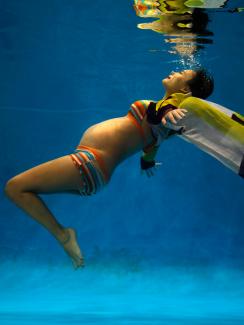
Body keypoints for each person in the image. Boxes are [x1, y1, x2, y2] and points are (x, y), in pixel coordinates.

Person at [4, 68, 214, 269]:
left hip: (90, 163)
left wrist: (168, 112)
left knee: (15, 187)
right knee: (26, 190)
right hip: (95, 174)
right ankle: (63, 234)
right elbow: (151, 145)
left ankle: (63, 235)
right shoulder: (164, 125)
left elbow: (159, 113)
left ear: (185, 90)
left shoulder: (163, 112)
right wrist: (147, 162)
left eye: (182, 73)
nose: (175, 72)